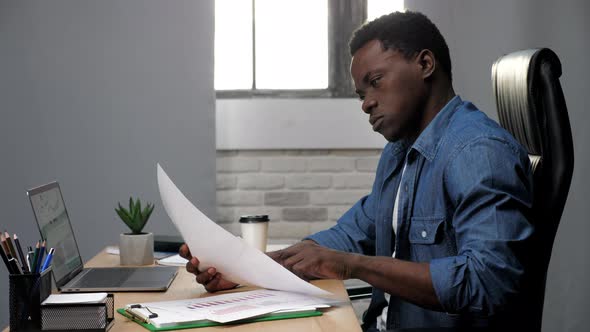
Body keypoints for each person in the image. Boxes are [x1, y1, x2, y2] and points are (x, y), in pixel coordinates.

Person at [180, 11, 535, 330]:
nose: (365, 103)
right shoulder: (400, 153)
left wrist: (352, 266)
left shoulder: (478, 152)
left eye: (376, 81)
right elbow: (349, 234)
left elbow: (487, 283)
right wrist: (244, 268)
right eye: (361, 93)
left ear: (425, 64)